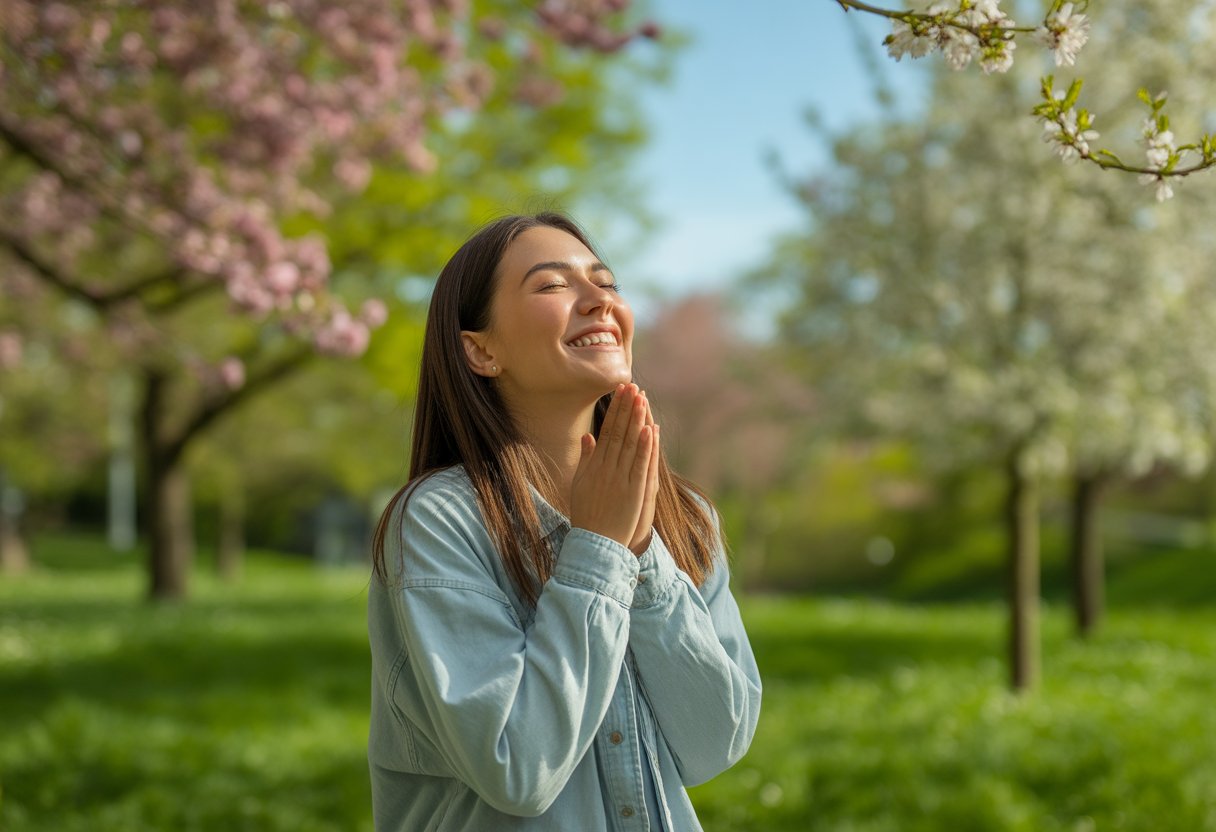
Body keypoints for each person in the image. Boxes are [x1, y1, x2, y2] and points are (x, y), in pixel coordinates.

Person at [366, 212, 762, 831]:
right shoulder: (439, 521)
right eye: (552, 285)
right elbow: (517, 769)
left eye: (606, 282)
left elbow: (716, 744)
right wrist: (600, 554)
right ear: (480, 348)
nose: (597, 301)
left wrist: (643, 557)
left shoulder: (685, 519)